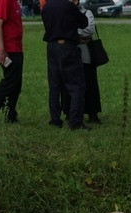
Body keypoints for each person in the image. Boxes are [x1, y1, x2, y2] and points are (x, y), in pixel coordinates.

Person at [42, 0, 89, 130]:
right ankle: (75, 121)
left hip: (52, 47)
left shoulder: (46, 6)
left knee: (54, 86)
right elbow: (84, 22)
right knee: (76, 86)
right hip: (68, 46)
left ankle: (55, 120)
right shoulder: (69, 6)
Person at [77, 4, 102, 124]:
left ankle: (93, 114)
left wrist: (73, 35)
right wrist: (79, 36)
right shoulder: (64, 11)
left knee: (91, 85)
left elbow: (90, 29)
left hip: (86, 56)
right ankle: (75, 114)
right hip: (71, 57)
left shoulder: (87, 12)